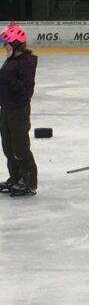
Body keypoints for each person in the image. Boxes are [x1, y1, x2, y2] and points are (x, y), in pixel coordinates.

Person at [0, 23, 38, 196]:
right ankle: (15, 177)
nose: (4, 46)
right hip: (6, 108)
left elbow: (26, 90)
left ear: (15, 43)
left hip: (18, 110)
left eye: (6, 43)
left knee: (20, 148)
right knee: (8, 147)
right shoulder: (12, 59)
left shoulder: (26, 62)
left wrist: (6, 78)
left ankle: (28, 181)